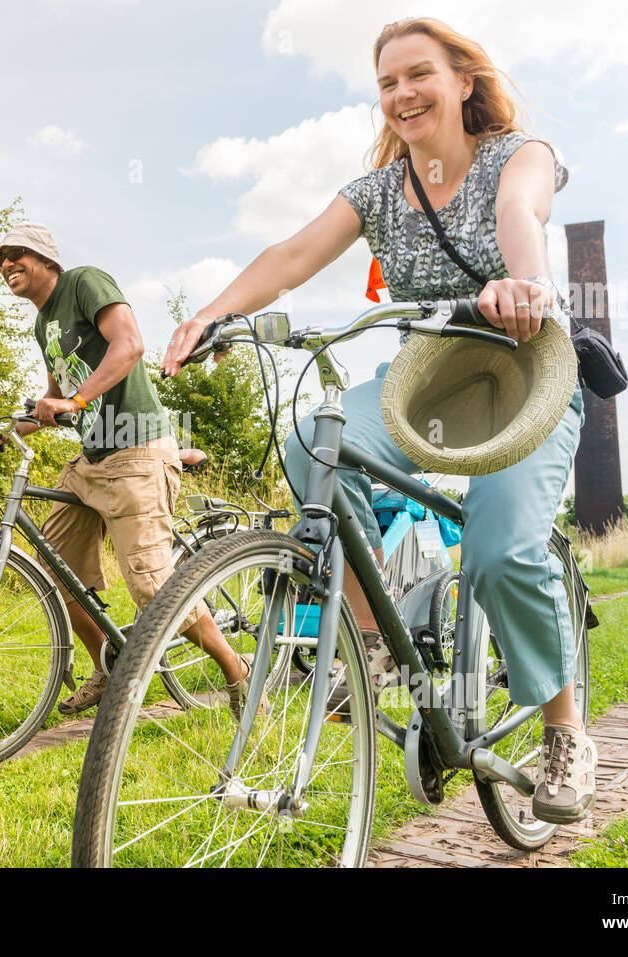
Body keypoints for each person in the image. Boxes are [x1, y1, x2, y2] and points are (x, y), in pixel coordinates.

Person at [161, 18, 596, 824]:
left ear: (463, 80)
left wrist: (525, 284)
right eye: (387, 83)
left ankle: (565, 729)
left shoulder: (517, 155)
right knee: (310, 442)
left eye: (418, 74)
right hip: (421, 386)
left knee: (500, 554)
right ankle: (366, 643)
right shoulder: (375, 193)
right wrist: (214, 315)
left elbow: (518, 216)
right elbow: (291, 256)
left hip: (525, 375)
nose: (401, 95)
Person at [0, 223, 251, 717]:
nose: (6, 264)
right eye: (0, 258)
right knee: (56, 568)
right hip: (92, 459)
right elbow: (57, 397)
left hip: (135, 450)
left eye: (15, 253)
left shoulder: (85, 282)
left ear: (46, 257)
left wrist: (77, 399)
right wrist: (12, 424)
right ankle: (106, 669)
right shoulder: (41, 323)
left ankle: (234, 666)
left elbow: (129, 346)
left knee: (154, 586)